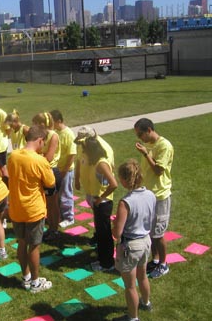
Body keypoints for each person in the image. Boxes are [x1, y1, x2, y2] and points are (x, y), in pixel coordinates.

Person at [8, 125, 55, 293]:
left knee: (22, 243)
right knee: (34, 246)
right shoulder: (39, 160)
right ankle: (35, 282)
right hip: (34, 210)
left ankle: (26, 277)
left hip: (16, 208)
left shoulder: (12, 156)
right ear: (40, 140)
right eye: (44, 143)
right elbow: (50, 183)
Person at [112, 159, 155, 321]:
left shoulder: (125, 202)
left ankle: (133, 317)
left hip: (130, 245)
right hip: (145, 241)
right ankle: (146, 302)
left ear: (124, 180)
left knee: (130, 286)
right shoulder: (150, 194)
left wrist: (114, 223)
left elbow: (117, 233)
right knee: (142, 276)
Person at [134, 118, 174, 279]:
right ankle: (155, 259)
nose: (139, 138)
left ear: (149, 129)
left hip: (160, 195)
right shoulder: (148, 145)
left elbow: (158, 170)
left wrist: (145, 153)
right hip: (148, 195)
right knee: (150, 232)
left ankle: (164, 264)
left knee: (158, 233)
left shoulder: (164, 146)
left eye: (140, 134)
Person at [82, 136, 118, 271]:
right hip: (99, 202)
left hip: (103, 203)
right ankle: (103, 259)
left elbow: (114, 184)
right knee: (101, 232)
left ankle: (107, 263)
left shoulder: (101, 164)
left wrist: (100, 198)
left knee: (105, 233)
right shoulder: (95, 161)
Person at [75, 126, 114, 246]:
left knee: (103, 223)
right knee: (98, 218)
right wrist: (77, 179)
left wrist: (101, 197)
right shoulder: (85, 147)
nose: (81, 146)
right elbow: (78, 160)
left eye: (83, 143)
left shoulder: (104, 149)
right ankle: (99, 235)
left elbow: (109, 178)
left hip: (100, 194)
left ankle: (102, 241)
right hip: (90, 190)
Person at [32, 112, 61, 242]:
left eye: (37, 124)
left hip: (52, 172)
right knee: (48, 203)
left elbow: (48, 158)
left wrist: (33, 159)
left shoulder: (53, 136)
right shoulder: (42, 135)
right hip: (43, 170)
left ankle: (55, 229)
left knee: (52, 203)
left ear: (43, 124)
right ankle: (51, 227)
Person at [50, 110, 77, 228]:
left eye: (52, 122)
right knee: (58, 194)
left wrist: (65, 171)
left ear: (59, 121)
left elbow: (72, 155)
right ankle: (60, 214)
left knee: (66, 194)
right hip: (57, 169)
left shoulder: (69, 134)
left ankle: (69, 217)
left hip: (66, 170)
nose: (51, 124)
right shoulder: (56, 132)